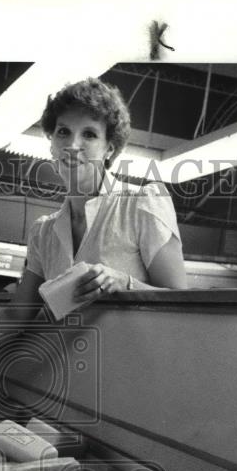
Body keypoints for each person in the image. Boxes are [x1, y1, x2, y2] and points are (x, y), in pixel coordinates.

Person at [10, 77, 187, 321]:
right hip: (64, 359)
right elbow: (18, 315)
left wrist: (125, 284)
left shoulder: (142, 205)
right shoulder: (44, 233)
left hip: (131, 358)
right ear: (51, 143)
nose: (72, 145)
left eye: (90, 134)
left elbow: (184, 304)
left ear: (110, 149)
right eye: (63, 132)